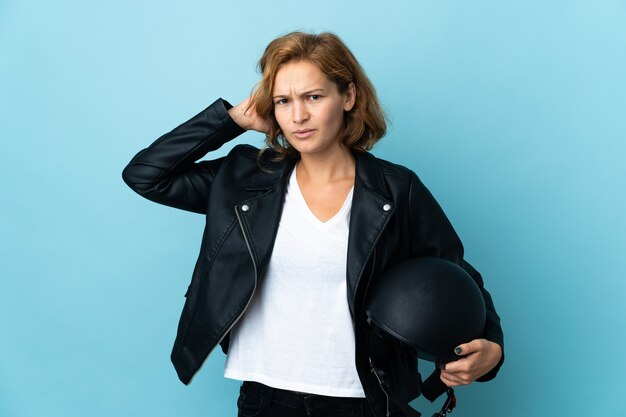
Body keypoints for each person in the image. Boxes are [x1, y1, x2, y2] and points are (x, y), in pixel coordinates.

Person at [122, 30, 504, 417]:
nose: (298, 116)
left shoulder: (395, 189)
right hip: (264, 398)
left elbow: (454, 273)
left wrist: (491, 346)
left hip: (366, 399)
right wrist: (231, 120)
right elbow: (146, 175)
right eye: (283, 101)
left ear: (349, 97)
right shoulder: (244, 181)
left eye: (313, 97)